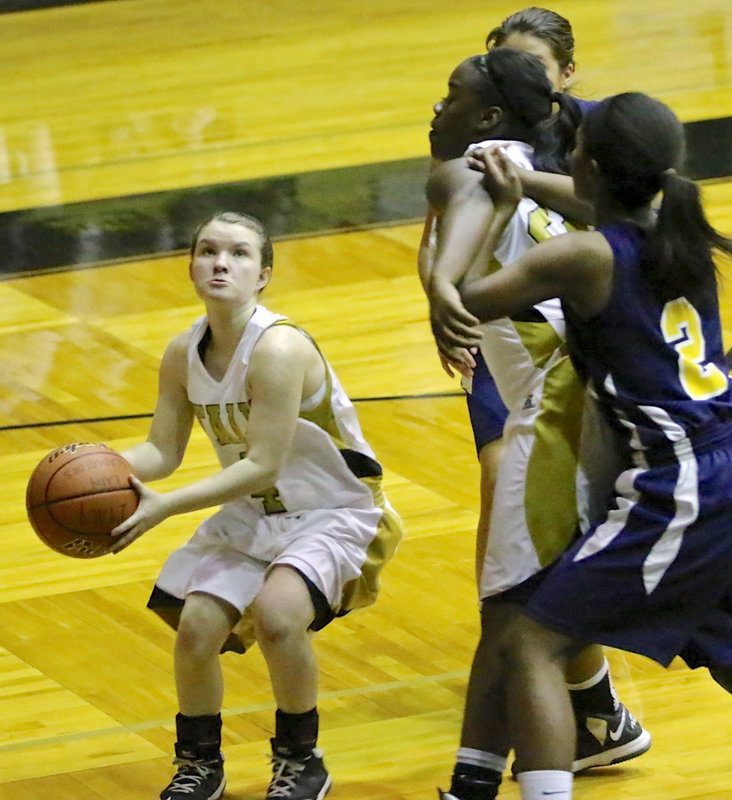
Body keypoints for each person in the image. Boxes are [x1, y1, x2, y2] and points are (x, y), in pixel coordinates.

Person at [454, 91, 732, 800]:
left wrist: (484, 219)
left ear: (597, 166)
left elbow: (466, 297)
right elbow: (592, 198)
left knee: (533, 643)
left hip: (681, 484)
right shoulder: (681, 224)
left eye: (574, 150)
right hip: (719, 461)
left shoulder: (581, 256)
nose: (565, 155)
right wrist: (520, 178)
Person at [110, 211, 403, 800]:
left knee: (277, 616)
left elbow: (263, 461)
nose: (221, 262)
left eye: (239, 254)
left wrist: (165, 508)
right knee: (194, 629)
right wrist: (94, 466)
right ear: (190, 265)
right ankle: (199, 764)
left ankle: (301, 760)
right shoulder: (181, 351)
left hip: (333, 508)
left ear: (264, 275)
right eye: (208, 250)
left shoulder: (279, 347)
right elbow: (161, 452)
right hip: (257, 512)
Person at [424, 46, 649, 800]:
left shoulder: (481, 161)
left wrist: (444, 286)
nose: (435, 107)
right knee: (537, 614)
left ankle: (490, 782)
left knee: (520, 628)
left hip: (559, 407)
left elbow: (462, 215)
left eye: (449, 94)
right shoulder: (544, 172)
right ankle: (494, 773)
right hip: (601, 399)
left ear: (488, 115)